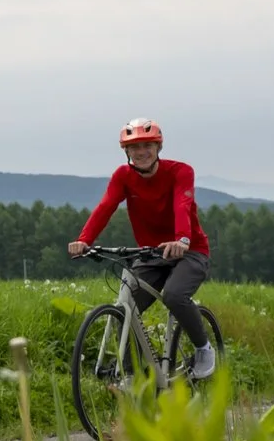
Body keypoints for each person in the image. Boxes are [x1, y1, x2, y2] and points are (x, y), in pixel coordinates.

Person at [68, 119, 218, 381]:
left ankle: (203, 350)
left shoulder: (180, 171)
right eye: (134, 147)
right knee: (124, 308)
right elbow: (106, 206)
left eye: (147, 145)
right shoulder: (123, 177)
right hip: (151, 254)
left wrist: (181, 240)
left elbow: (182, 205)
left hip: (190, 250)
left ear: (158, 147)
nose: (141, 152)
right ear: (126, 152)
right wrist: (84, 240)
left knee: (174, 295)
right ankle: (135, 375)